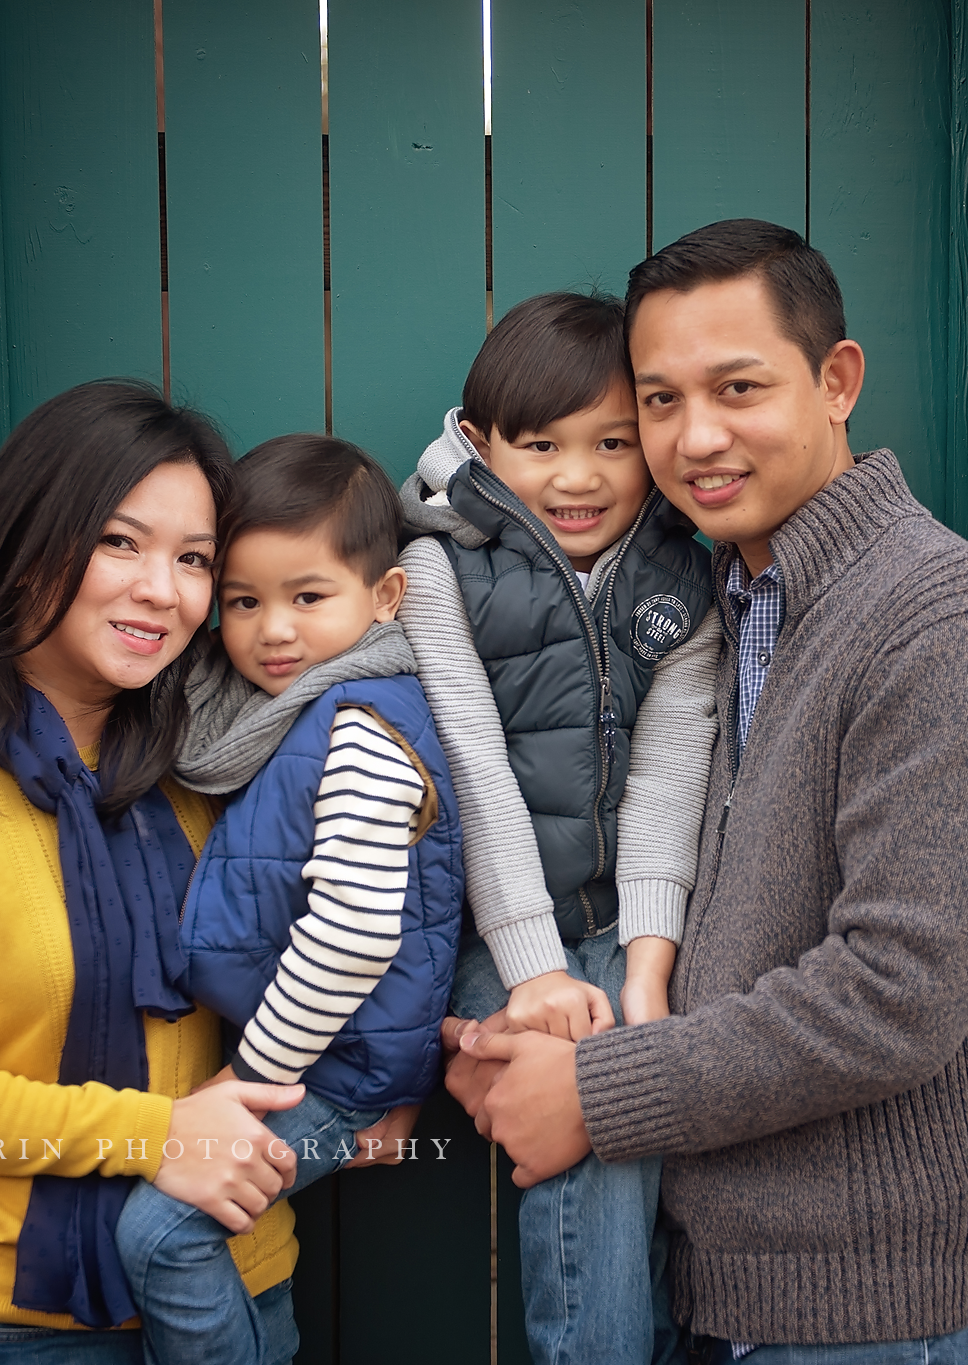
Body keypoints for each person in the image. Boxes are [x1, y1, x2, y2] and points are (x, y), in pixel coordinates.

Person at [448, 220, 968, 1363]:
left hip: (858, 1308)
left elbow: (892, 998)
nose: (696, 438)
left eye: (737, 388)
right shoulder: (728, 602)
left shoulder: (935, 622)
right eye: (661, 402)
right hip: (711, 1283)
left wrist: (593, 1090)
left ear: (836, 382)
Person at [0, 381, 304, 1362]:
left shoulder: (221, 775)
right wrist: (157, 1134)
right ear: (26, 542)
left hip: (237, 1287)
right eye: (119, 542)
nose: (163, 590)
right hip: (12, 1328)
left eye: (194, 560)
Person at [397, 290, 721, 1363]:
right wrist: (535, 969)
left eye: (611, 444)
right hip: (499, 931)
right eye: (541, 445)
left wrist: (645, 963)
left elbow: (673, 770)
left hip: (627, 921)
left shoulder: (680, 572)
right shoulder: (442, 571)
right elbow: (476, 776)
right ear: (480, 444)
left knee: (655, 1102)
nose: (577, 477)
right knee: (597, 1110)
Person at [113, 434, 465, 1364]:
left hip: (330, 1069)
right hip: (322, 1051)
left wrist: (249, 1074)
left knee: (161, 1234)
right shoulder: (297, 712)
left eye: (307, 597)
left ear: (384, 598)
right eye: (242, 601)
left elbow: (352, 933)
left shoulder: (362, 726)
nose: (272, 629)